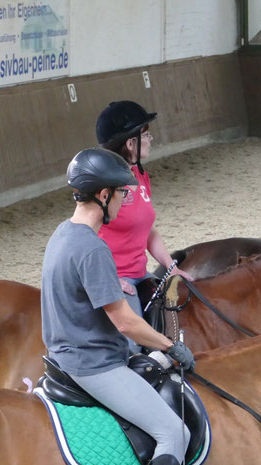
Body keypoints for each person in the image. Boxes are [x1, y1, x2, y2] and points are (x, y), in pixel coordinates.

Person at [41, 147, 211, 465]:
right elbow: (124, 321)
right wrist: (170, 345)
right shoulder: (93, 249)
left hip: (69, 351)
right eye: (120, 195)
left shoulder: (63, 234)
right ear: (102, 195)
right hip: (92, 364)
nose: (124, 202)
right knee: (172, 430)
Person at [95, 100, 192, 344]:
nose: (151, 140)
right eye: (146, 135)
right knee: (134, 347)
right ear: (130, 144)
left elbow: (148, 231)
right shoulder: (103, 186)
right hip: (117, 281)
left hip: (140, 274)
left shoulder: (139, 175)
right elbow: (87, 237)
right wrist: (109, 279)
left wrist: (172, 268)